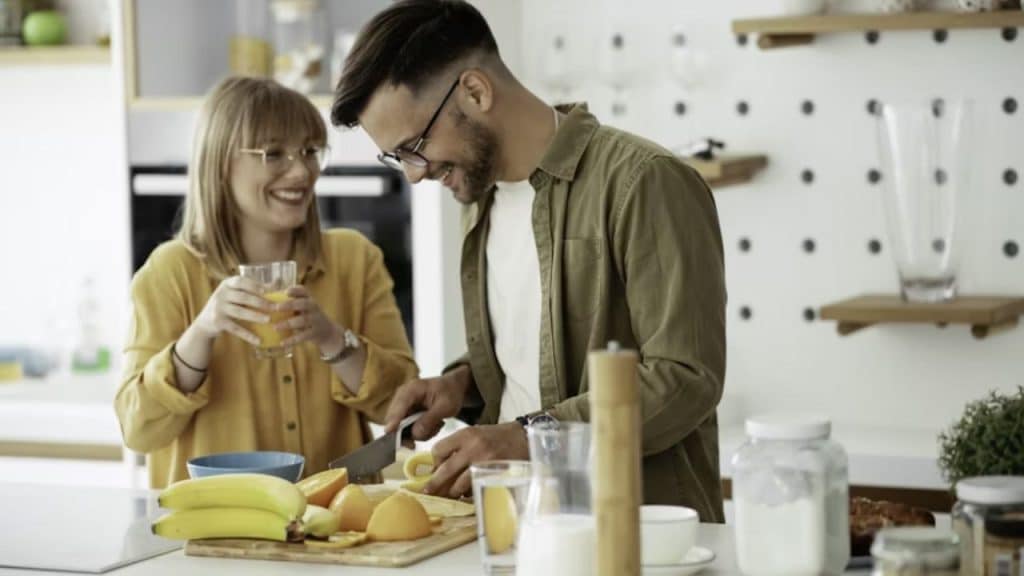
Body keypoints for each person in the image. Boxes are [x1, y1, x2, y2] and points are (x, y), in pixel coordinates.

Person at [332, 0, 727, 522]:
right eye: (398, 158)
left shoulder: (643, 181)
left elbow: (685, 378)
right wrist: (461, 385)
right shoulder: (480, 203)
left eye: (414, 147)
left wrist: (527, 439)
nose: (414, 175)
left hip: (641, 534)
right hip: (520, 528)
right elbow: (538, 351)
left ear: (475, 92)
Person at [115, 76, 417, 488]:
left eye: (310, 151)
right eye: (273, 154)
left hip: (339, 532)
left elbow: (402, 406)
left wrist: (332, 339)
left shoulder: (354, 259)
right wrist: (200, 336)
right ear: (222, 164)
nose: (301, 171)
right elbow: (139, 430)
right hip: (218, 532)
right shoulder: (170, 272)